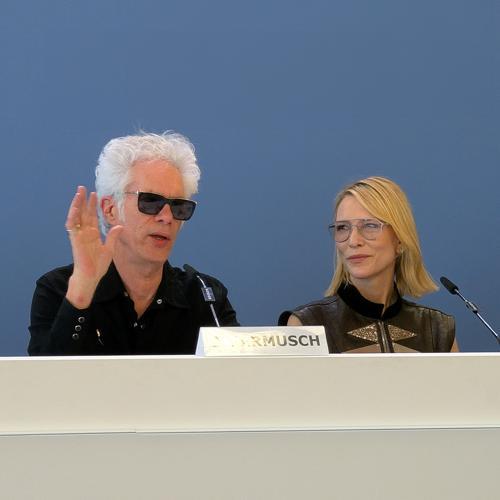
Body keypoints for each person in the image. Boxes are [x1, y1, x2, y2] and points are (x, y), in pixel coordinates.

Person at [29, 131, 238, 355]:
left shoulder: (205, 296)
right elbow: (45, 375)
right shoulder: (58, 289)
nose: (167, 217)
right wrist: (82, 292)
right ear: (110, 210)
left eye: (178, 206)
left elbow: (242, 370)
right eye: (150, 201)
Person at [279, 176, 458, 353]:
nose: (353, 241)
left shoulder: (437, 328)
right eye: (342, 227)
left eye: (370, 226)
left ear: (400, 240)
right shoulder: (307, 325)